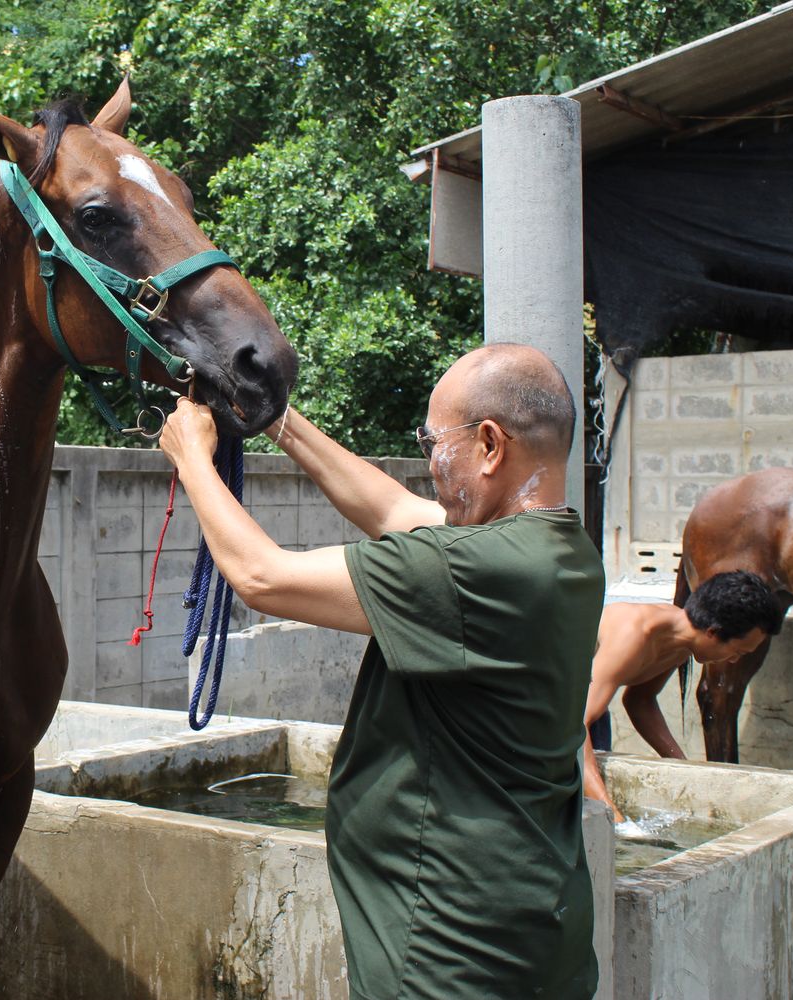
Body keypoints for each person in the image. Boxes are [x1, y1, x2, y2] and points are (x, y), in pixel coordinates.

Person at [159, 343, 602, 999]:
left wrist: (192, 456)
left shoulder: (475, 570)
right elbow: (391, 511)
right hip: (530, 927)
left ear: (488, 445)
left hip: (448, 950)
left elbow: (261, 576)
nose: (428, 464)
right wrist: (273, 416)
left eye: (432, 442)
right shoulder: (559, 549)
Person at [582, 571, 782, 820]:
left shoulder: (681, 643)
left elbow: (640, 701)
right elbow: (575, 726)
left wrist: (681, 766)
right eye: (737, 651)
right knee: (599, 819)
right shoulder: (633, 634)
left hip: (582, 710)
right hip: (543, 701)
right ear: (713, 632)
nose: (733, 660)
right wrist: (611, 815)